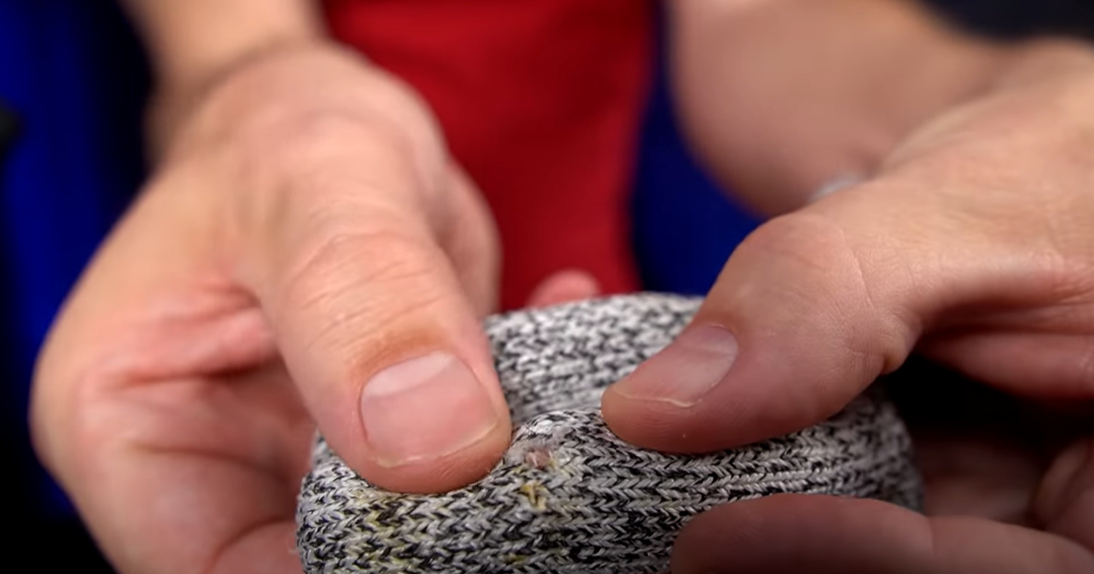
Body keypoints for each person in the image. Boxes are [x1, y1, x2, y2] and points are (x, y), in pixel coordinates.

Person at [29, 0, 1094, 572]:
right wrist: (240, 76)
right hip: (263, 269)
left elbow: (764, 18)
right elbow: (234, 31)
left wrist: (979, 106)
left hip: (624, 190)